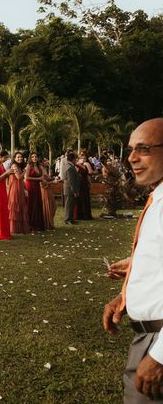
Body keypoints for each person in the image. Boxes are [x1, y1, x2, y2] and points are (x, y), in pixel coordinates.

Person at [102, 117, 163, 403]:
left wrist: (160, 357)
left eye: (145, 149)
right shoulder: (158, 197)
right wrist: (126, 296)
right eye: (131, 149)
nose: (132, 158)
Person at [8, 152, 30, 234]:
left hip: (20, 187)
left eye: (21, 157)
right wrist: (25, 171)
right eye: (18, 157)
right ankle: (14, 228)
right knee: (15, 206)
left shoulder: (19, 166)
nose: (20, 158)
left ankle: (20, 227)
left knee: (21, 205)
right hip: (15, 188)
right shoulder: (14, 166)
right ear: (14, 158)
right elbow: (18, 177)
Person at [25, 152, 46, 232]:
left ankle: (38, 224)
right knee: (31, 204)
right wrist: (39, 179)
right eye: (33, 157)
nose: (34, 158)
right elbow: (26, 178)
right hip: (30, 186)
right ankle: (31, 225)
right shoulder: (29, 166)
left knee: (37, 204)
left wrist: (43, 179)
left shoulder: (39, 166)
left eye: (36, 156)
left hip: (37, 187)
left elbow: (43, 176)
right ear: (30, 158)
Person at [75, 150, 94, 220]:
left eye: (83, 155)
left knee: (85, 198)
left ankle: (85, 214)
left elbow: (91, 172)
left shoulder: (87, 164)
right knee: (79, 198)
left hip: (84, 182)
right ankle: (79, 215)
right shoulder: (77, 163)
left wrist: (85, 165)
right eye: (81, 155)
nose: (82, 157)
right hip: (78, 182)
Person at [62, 152, 80, 225]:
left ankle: (71, 218)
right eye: (75, 159)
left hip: (68, 188)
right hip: (69, 189)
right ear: (73, 159)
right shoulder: (69, 167)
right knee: (69, 205)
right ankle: (67, 219)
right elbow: (71, 181)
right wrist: (75, 191)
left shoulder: (66, 166)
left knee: (71, 204)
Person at [40, 158, 56, 230]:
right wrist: (52, 182)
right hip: (45, 190)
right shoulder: (41, 169)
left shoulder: (45, 169)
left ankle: (49, 222)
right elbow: (42, 183)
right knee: (47, 206)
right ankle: (47, 223)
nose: (47, 162)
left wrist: (54, 179)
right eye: (45, 160)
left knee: (53, 206)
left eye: (47, 160)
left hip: (49, 189)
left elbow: (48, 179)